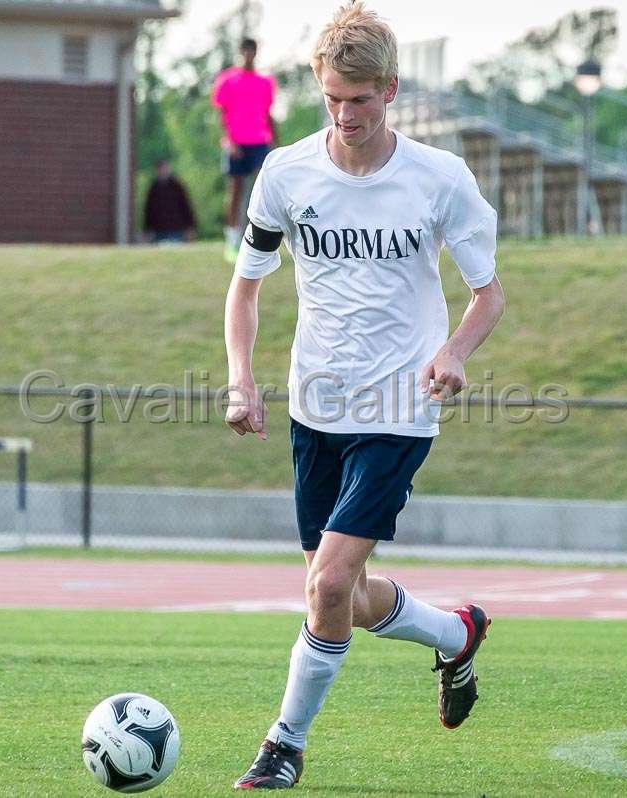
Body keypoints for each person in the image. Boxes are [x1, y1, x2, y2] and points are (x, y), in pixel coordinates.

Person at [223, 1, 505, 790]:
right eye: (332, 99)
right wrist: (241, 380)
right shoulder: (284, 174)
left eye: (361, 98)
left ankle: (284, 746)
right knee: (335, 597)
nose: (345, 115)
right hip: (315, 406)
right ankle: (454, 632)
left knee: (328, 585)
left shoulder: (440, 179)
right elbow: (245, 289)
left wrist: (452, 353)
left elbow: (489, 295)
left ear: (389, 89)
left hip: (399, 409)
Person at [212, 37, 278, 263]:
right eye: (246, 51)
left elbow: (268, 113)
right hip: (237, 143)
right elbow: (222, 114)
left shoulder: (265, 81)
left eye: (253, 51)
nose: (249, 55)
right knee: (236, 190)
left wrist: (275, 143)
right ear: (241, 52)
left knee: (261, 191)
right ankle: (232, 241)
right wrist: (229, 142)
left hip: (259, 141)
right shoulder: (228, 80)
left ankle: (259, 239)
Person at [142, 160, 197, 244]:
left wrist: (190, 227)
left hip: (176, 229)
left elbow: (185, 207)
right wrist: (147, 230)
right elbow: (148, 210)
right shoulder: (153, 188)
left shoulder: (177, 186)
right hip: (158, 230)